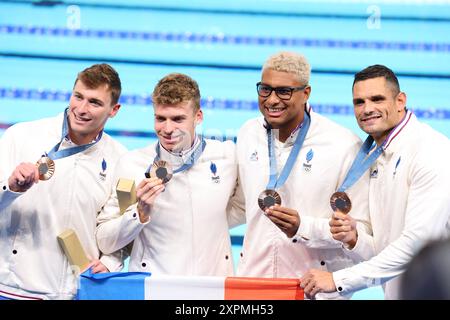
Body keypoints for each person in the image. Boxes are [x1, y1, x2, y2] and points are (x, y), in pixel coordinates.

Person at [301, 64, 450, 300]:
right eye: (359, 102)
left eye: (377, 99)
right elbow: (385, 250)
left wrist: (337, 280)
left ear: (400, 101)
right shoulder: (379, 156)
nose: (367, 109)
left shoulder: (431, 151)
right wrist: (355, 239)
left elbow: (415, 248)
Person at [235, 51, 371, 299]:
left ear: (306, 93)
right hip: (253, 287)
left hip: (312, 291)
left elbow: (360, 233)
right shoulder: (248, 133)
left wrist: (304, 227)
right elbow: (240, 205)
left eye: (284, 91)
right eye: (265, 89)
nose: (272, 100)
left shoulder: (341, 145)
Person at [96, 73, 244, 276]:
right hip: (153, 285)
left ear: (198, 117)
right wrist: (138, 214)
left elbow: (244, 206)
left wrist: (207, 219)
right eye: (160, 118)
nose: (167, 129)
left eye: (178, 119)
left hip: (212, 283)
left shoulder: (226, 156)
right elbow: (105, 241)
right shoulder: (132, 165)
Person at [0, 63, 127, 300]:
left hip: (74, 292)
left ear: (114, 109)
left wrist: (110, 262)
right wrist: (11, 188)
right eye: (78, 97)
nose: (81, 108)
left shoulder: (120, 159)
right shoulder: (21, 135)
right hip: (12, 288)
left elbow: (119, 227)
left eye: (94, 102)